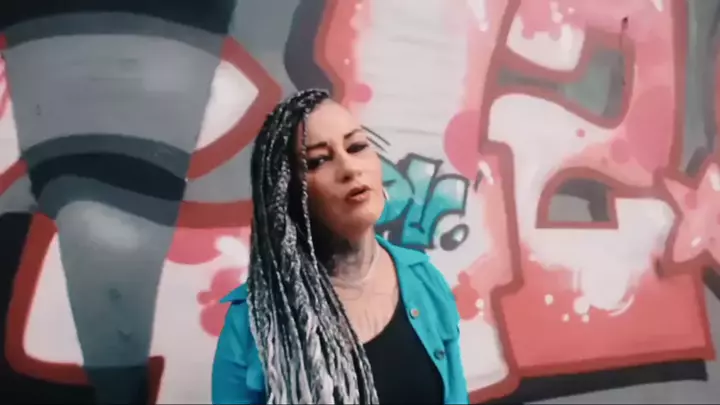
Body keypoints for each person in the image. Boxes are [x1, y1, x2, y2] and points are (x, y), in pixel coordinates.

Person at [211, 89, 468, 404]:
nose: (349, 168)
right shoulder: (251, 324)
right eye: (318, 160)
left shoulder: (425, 280)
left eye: (357, 146)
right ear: (287, 195)